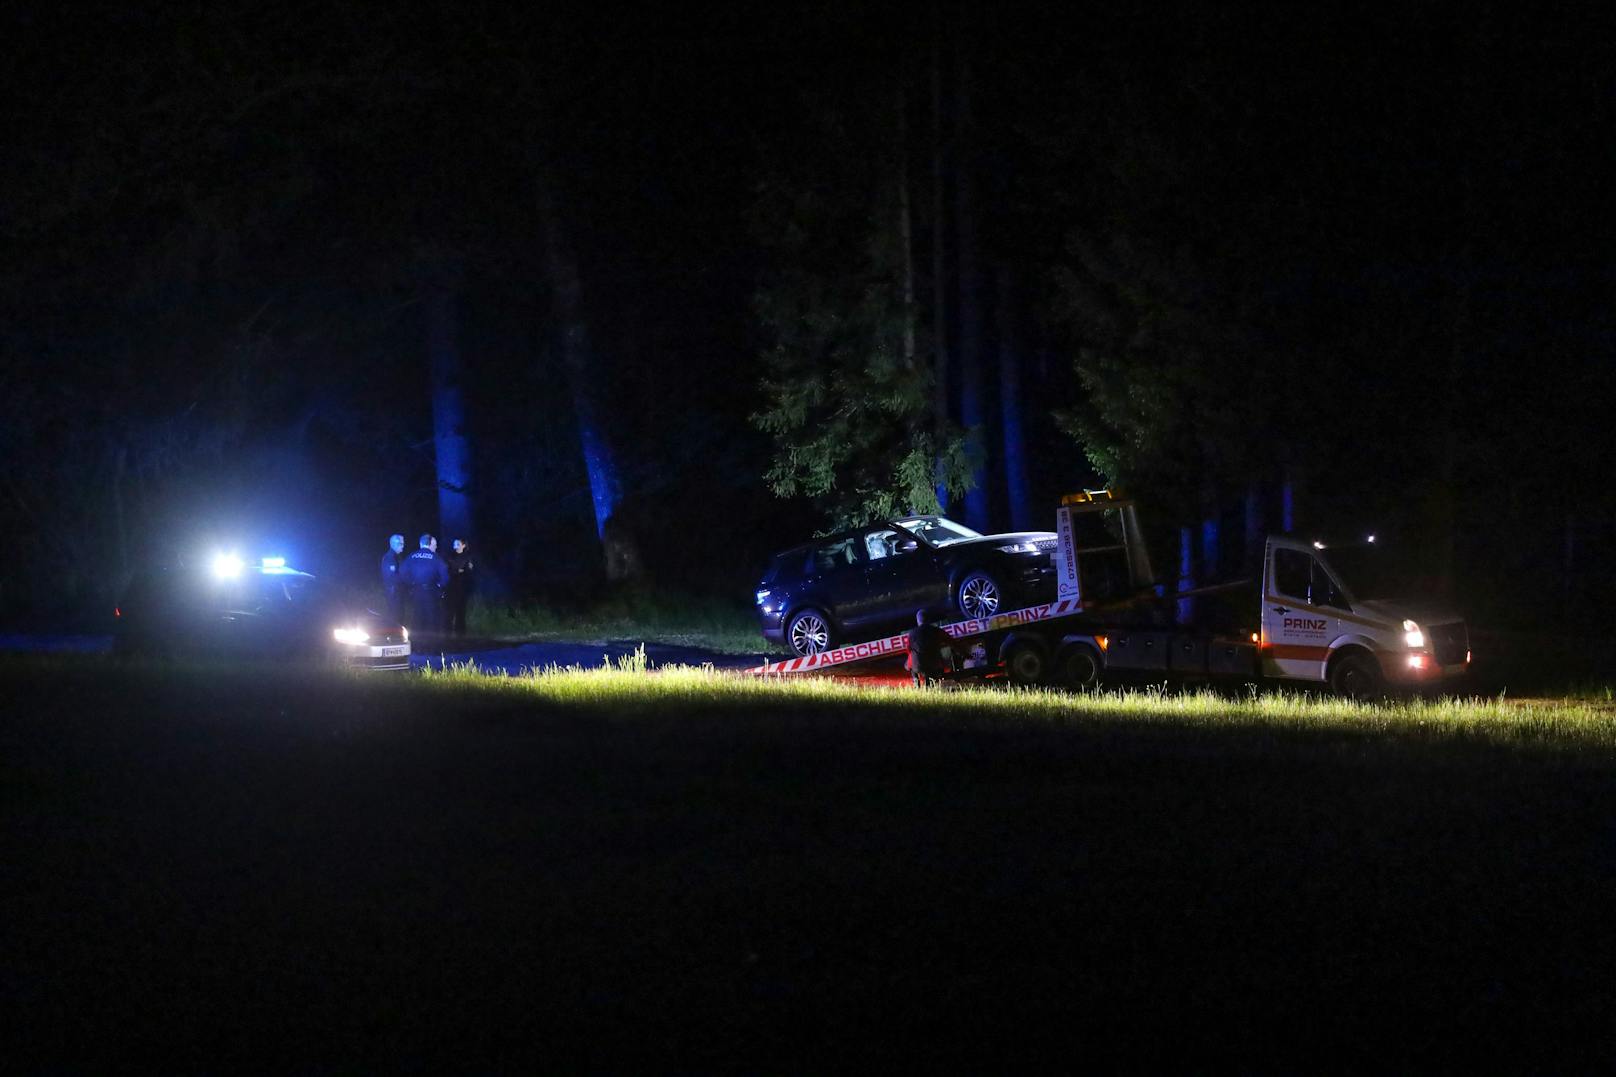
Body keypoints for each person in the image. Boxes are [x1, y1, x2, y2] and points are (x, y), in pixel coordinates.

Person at [400, 533, 449, 634]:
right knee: (432, 618)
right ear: (430, 543)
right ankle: (432, 644)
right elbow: (445, 576)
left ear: (420, 543)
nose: (435, 546)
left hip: (416, 591)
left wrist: (411, 582)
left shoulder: (412, 556)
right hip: (431, 592)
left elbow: (402, 571)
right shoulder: (436, 557)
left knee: (417, 616)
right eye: (434, 544)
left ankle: (416, 644)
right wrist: (439, 585)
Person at [905, 609, 956, 688]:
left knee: (910, 661)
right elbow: (952, 642)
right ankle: (930, 683)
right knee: (934, 667)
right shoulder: (937, 631)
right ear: (929, 620)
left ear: (918, 621)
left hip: (917, 666)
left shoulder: (912, 634)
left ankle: (916, 681)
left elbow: (908, 650)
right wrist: (965, 654)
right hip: (934, 665)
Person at [444, 538, 474, 637]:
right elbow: (447, 570)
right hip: (451, 588)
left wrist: (460, 571)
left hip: (462, 588)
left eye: (457, 543)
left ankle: (461, 635)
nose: (454, 544)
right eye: (454, 543)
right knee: (449, 612)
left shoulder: (467, 557)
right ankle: (447, 635)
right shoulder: (450, 556)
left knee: (461, 612)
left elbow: (468, 572)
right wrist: (457, 571)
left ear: (463, 545)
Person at [380, 534, 406, 625]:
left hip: (397, 591)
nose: (403, 546)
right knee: (395, 617)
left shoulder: (396, 556)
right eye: (401, 544)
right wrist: (406, 578)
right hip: (394, 592)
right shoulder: (390, 557)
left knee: (399, 616)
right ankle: (393, 637)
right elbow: (391, 577)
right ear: (395, 544)